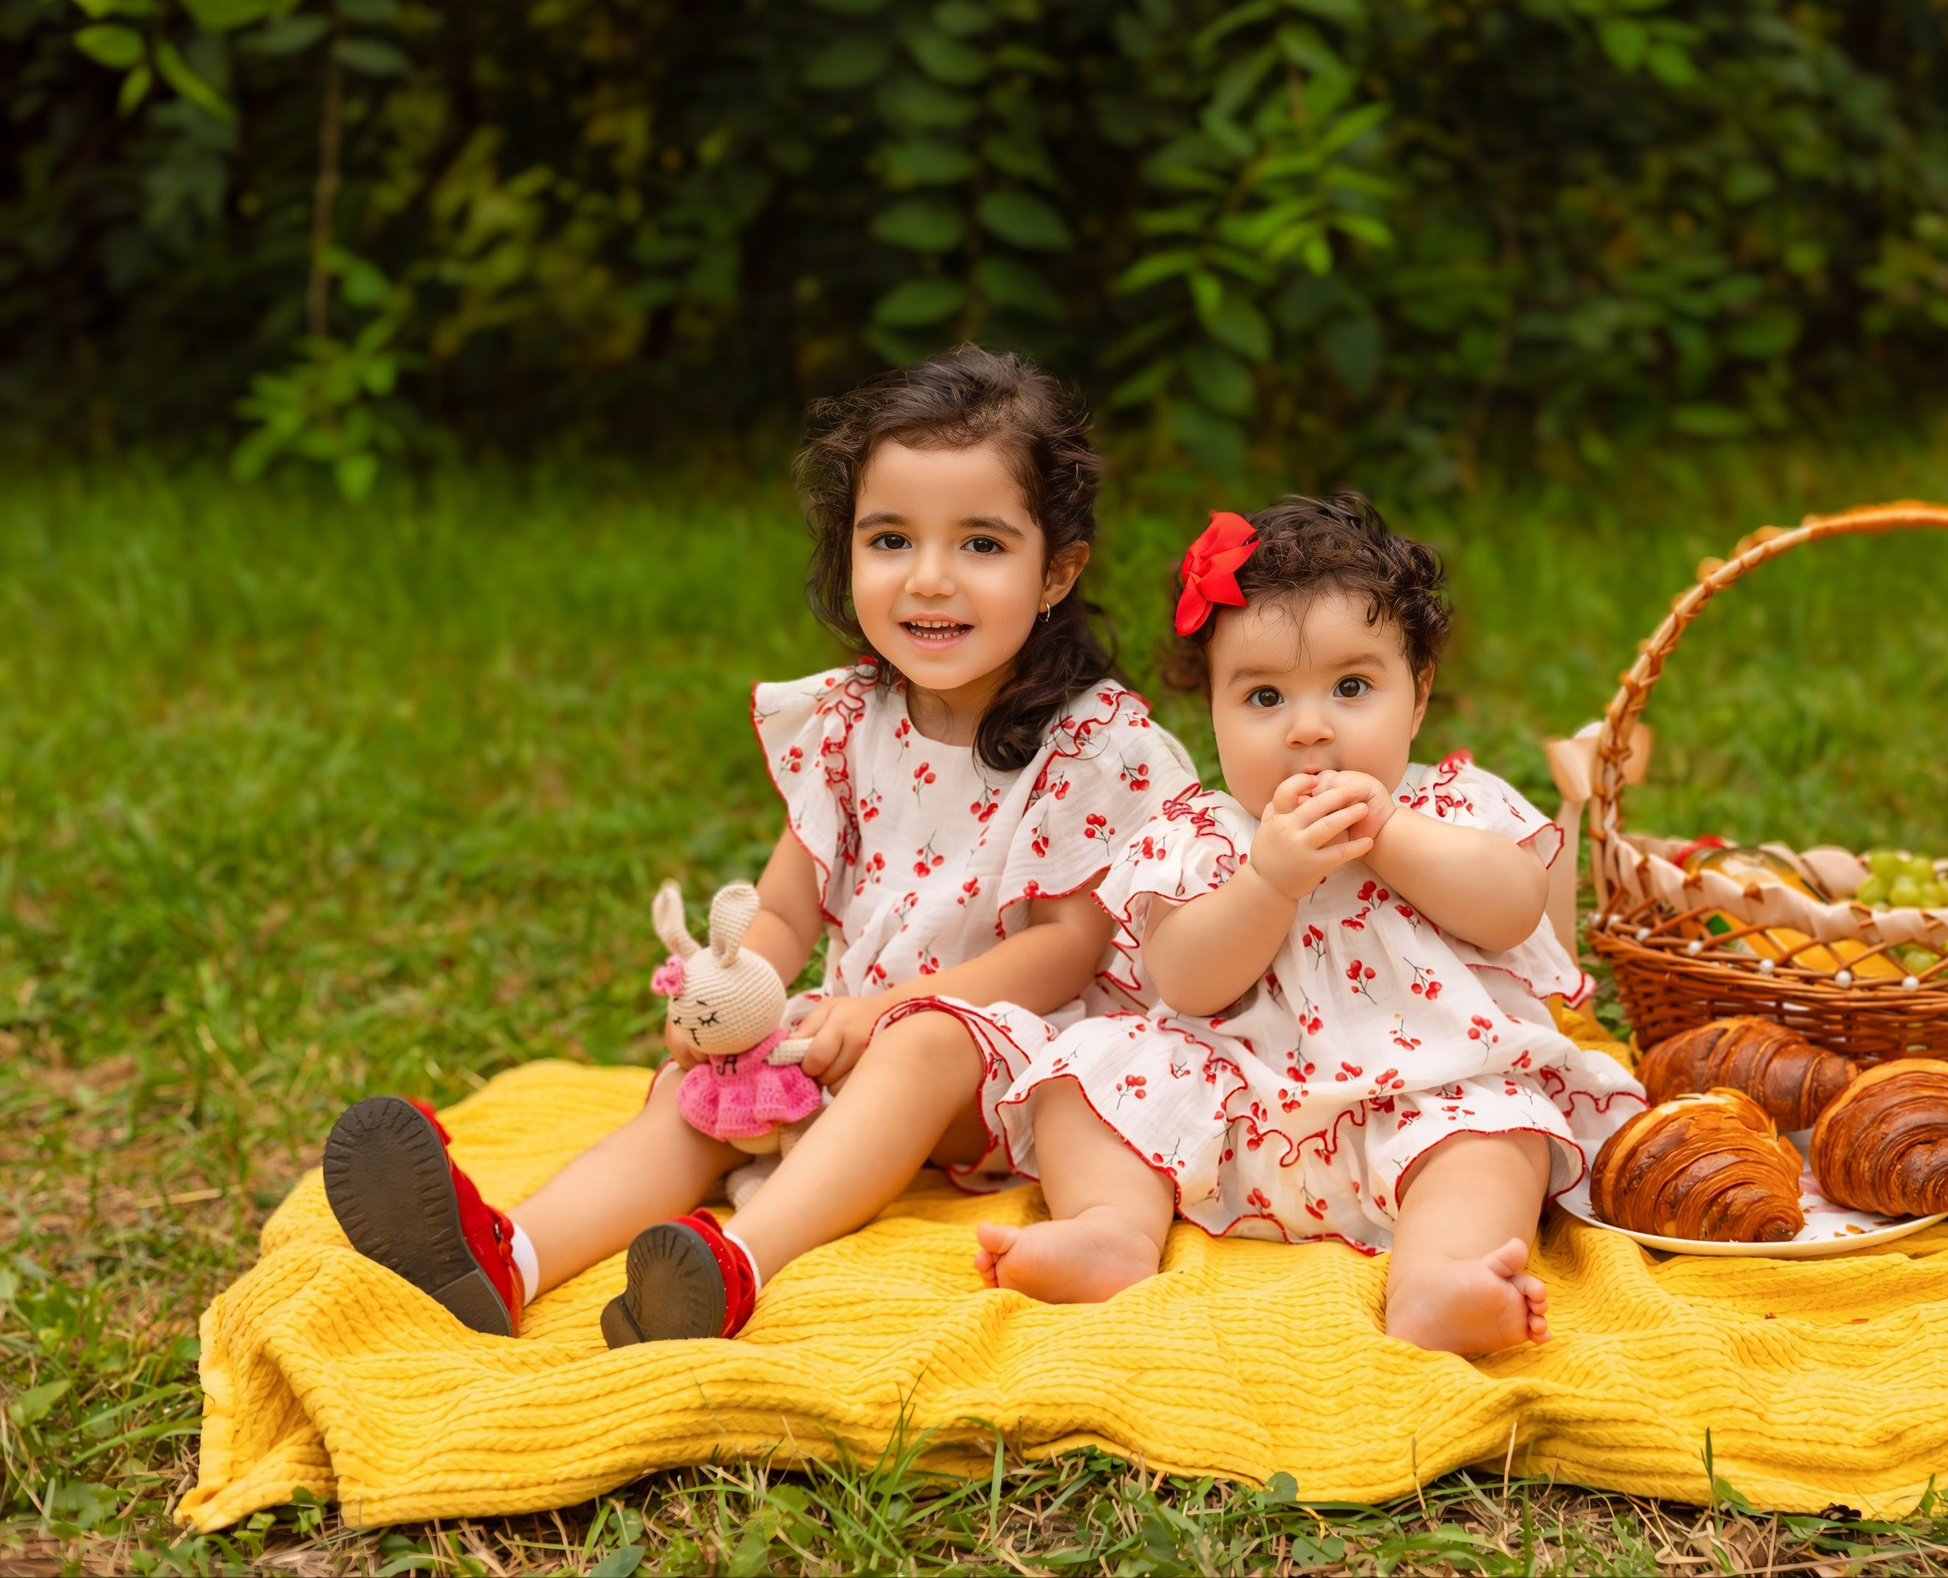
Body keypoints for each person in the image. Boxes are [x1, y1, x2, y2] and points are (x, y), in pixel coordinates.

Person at [319, 345, 1193, 1344]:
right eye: (891, 538)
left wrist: (884, 1011)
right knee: (704, 1095)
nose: (930, 579)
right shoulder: (846, 721)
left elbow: (1061, 950)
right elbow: (783, 910)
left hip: (1018, 1065)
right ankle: (506, 1254)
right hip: (851, 1036)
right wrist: (731, 997)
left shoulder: (1087, 743)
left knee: (922, 1043)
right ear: (846, 548)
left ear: (1058, 570)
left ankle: (740, 1260)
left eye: (982, 544)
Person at [976, 495, 1644, 1356]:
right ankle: (1111, 1228)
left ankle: (1442, 1276)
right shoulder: (1202, 835)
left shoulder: (1450, 808)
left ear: (1418, 696)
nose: (1310, 728)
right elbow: (1185, 979)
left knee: (1499, 1132)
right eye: (1262, 697)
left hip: (1424, 1103)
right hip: (1227, 1110)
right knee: (1087, 1074)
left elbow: (1514, 904)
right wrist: (1268, 882)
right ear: (1210, 713)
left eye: (1353, 687)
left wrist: (1393, 834)